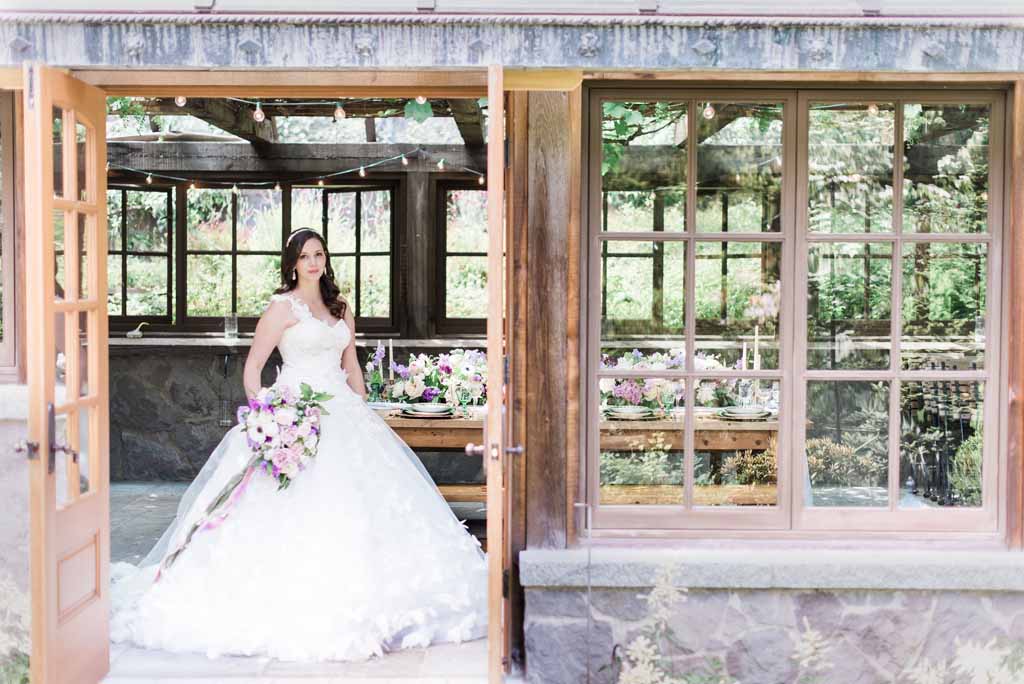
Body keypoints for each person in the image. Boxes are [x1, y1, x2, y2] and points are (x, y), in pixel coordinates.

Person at [110, 227, 488, 662]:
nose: (313, 262)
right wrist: (268, 418)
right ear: (292, 263)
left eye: (319, 254)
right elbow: (253, 370)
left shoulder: (341, 309)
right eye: (305, 255)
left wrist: (363, 411)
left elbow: (352, 368)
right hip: (295, 414)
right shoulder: (281, 308)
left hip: (344, 416)